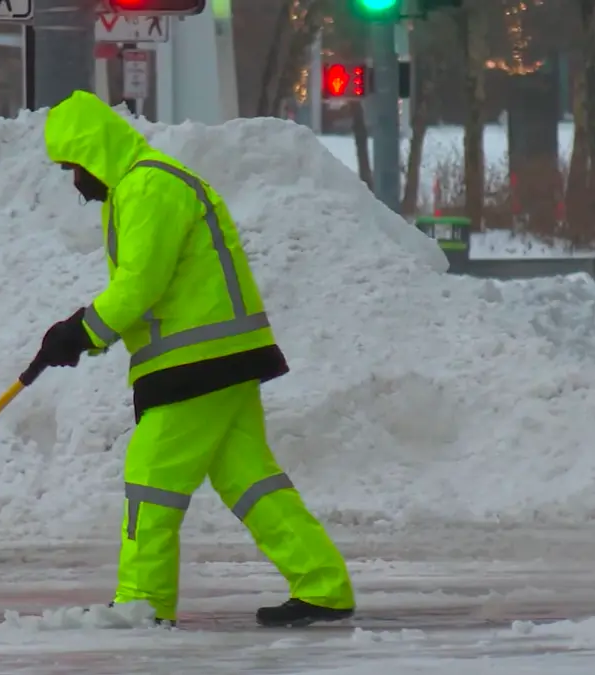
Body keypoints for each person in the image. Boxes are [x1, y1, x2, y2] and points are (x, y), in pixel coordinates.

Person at [28, 90, 356, 628]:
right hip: (219, 354)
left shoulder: (149, 185)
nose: (75, 182)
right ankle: (322, 583)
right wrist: (80, 335)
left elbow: (141, 283)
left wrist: (81, 330)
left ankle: (142, 602)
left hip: (199, 358)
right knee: (250, 479)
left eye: (74, 166)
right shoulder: (140, 187)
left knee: (152, 472)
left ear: (94, 152)